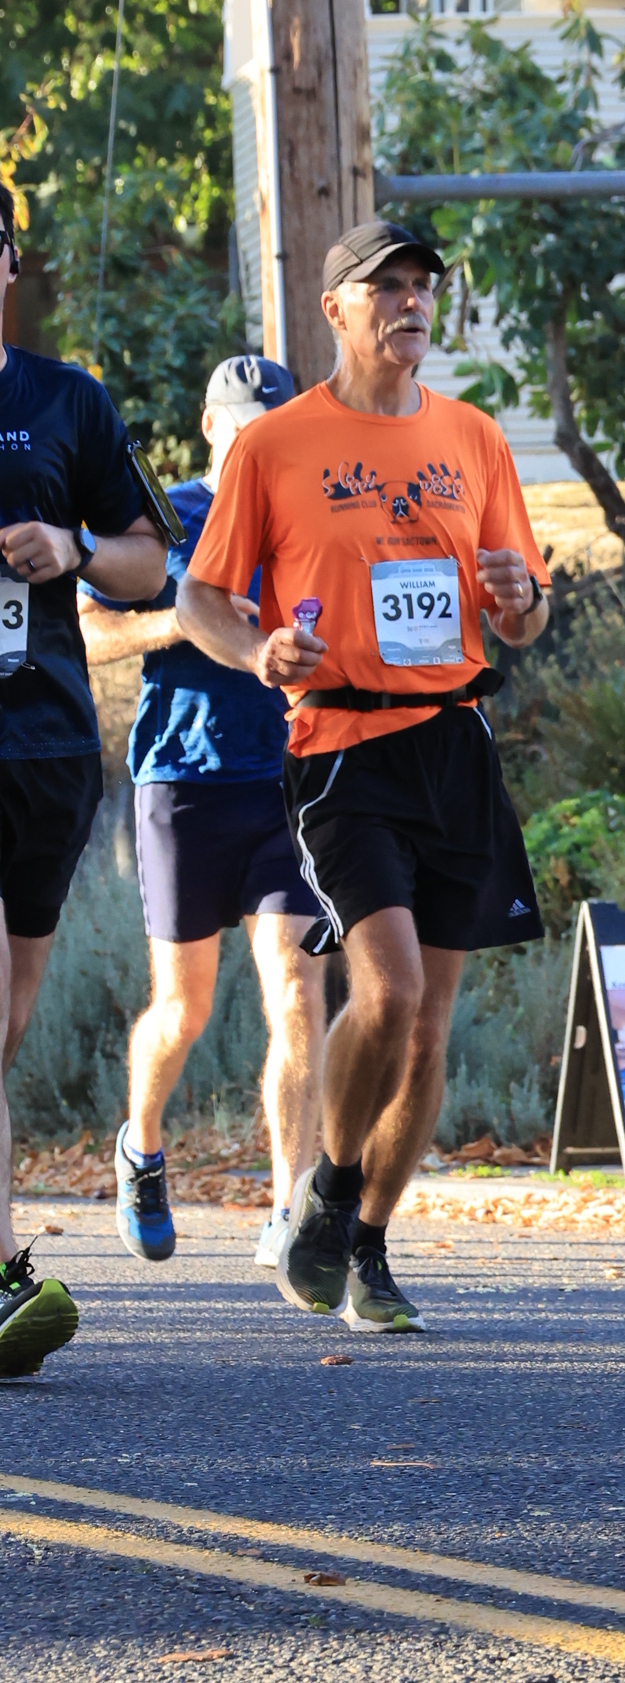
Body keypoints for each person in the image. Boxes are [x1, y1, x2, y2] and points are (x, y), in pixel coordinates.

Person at [176, 219, 551, 1336]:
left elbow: (523, 610)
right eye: (386, 286)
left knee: (427, 1029)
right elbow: (199, 598)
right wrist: (257, 651)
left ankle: (371, 1247)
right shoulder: (276, 445)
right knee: (383, 991)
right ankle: (330, 1189)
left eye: (424, 284)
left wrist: (520, 601)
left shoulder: (473, 437)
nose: (411, 301)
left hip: (455, 742)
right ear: (335, 307)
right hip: (341, 748)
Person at [80, 354, 326, 1267]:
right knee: (184, 1010)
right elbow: (88, 632)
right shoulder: (165, 519)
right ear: (212, 427)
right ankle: (141, 1146)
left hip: (290, 779)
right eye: (247, 426)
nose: (264, 441)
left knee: (296, 984)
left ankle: (292, 1208)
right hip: (182, 778)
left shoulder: (312, 514)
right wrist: (180, 620)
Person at [0, 183, 171, 1371]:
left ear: (9, 263)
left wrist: (72, 549)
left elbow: (149, 564)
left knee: (9, 1022)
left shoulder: (66, 400)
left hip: (45, 750)